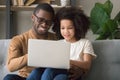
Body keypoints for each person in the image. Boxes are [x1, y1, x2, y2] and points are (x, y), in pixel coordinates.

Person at [4, 3, 57, 80]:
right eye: (40, 20)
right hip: (25, 77)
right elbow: (11, 67)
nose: (44, 24)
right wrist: (31, 55)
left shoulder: (55, 39)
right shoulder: (18, 40)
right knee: (8, 78)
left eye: (48, 22)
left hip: (46, 77)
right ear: (33, 17)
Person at [51, 7, 97, 80]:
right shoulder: (58, 43)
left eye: (70, 28)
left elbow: (87, 64)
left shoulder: (85, 43)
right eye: (62, 28)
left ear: (77, 27)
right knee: (42, 72)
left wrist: (68, 61)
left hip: (74, 74)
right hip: (59, 71)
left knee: (60, 77)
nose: (66, 32)